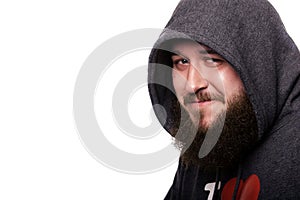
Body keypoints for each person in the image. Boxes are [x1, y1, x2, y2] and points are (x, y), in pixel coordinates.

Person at [148, 0, 300, 199]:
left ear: (256, 65)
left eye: (212, 60)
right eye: (182, 62)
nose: (193, 84)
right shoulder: (209, 139)